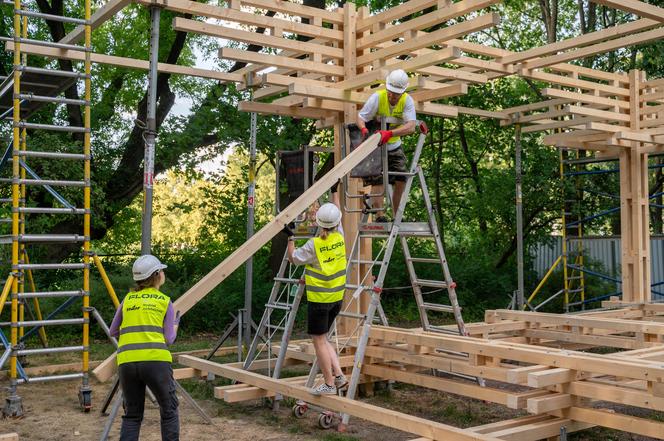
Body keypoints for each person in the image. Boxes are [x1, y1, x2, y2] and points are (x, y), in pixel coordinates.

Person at [284, 182, 347, 395]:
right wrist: (335, 191)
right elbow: (336, 213)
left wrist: (290, 237)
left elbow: (293, 258)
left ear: (319, 222)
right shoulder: (340, 235)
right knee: (324, 337)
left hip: (320, 300)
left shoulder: (314, 245)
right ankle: (338, 375)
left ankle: (329, 384)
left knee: (319, 340)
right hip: (337, 297)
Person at [109, 254, 180, 441]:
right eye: (161, 271)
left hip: (126, 363)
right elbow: (169, 339)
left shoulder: (128, 300)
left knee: (132, 415)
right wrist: (175, 325)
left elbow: (113, 331)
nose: (163, 273)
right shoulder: (165, 301)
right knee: (169, 410)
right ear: (157, 275)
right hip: (156, 361)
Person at [357, 69, 417, 222]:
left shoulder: (407, 100)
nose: (392, 95)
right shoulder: (377, 97)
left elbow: (411, 126)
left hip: (394, 145)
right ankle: (379, 215)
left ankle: (398, 215)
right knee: (377, 178)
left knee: (401, 179)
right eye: (390, 91)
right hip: (376, 146)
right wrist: (364, 130)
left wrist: (390, 133)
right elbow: (361, 117)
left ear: (402, 92)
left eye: (396, 93)